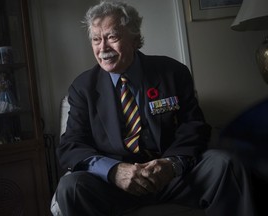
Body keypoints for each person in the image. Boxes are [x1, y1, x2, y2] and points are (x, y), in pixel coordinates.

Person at [54, 1, 256, 216]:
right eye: (96, 39)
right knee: (71, 188)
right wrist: (113, 171)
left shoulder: (172, 72)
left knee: (226, 165)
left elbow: (194, 126)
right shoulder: (83, 87)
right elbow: (71, 145)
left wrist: (171, 164)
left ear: (133, 38)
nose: (103, 48)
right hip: (114, 186)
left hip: (174, 176)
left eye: (112, 37)